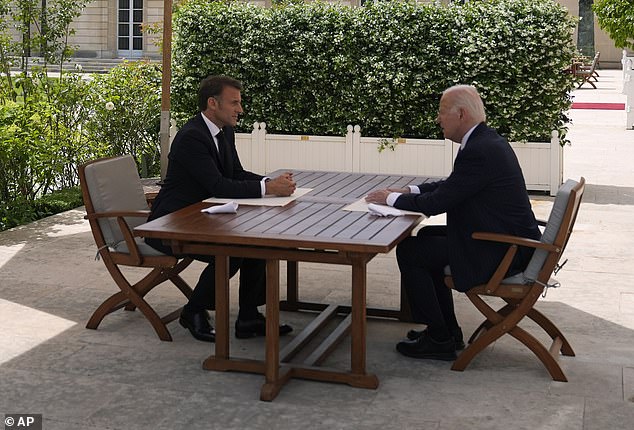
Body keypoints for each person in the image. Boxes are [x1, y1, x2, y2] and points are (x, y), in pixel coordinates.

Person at [365, 85, 541, 361]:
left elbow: (438, 203)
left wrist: (388, 200)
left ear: (460, 114)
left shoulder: (480, 149)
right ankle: (446, 331)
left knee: (411, 252)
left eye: (441, 112)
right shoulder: (485, 141)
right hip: (501, 240)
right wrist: (409, 191)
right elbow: (453, 186)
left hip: (503, 252)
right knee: (422, 240)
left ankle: (439, 337)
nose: (438, 119)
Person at [146, 75, 296, 343]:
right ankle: (193, 311)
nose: (240, 109)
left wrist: (269, 182)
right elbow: (218, 185)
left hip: (202, 217)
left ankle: (249, 317)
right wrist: (269, 189)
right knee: (232, 251)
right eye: (234, 102)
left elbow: (235, 173)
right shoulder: (192, 136)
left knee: (257, 243)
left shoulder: (224, 131)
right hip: (171, 225)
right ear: (212, 103)